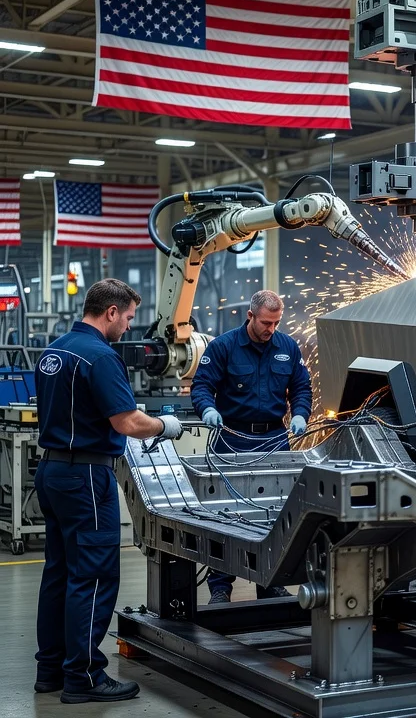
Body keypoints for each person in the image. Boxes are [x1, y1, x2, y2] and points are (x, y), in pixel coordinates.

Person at [34, 279, 184, 704]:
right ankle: (84, 679)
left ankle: (51, 671)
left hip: (51, 472)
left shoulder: (54, 350)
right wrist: (165, 426)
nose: (129, 326)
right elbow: (128, 423)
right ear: (111, 312)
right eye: (130, 317)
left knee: (59, 574)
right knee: (94, 577)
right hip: (85, 479)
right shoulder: (100, 356)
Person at [191, 290, 310, 603]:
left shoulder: (287, 347)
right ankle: (220, 588)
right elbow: (202, 385)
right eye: (265, 322)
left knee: (276, 514)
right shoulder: (223, 347)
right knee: (227, 515)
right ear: (250, 316)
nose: (270, 328)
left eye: (276, 323)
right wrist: (207, 410)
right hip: (232, 437)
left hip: (273, 439)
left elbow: (301, 387)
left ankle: (270, 583)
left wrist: (300, 414)